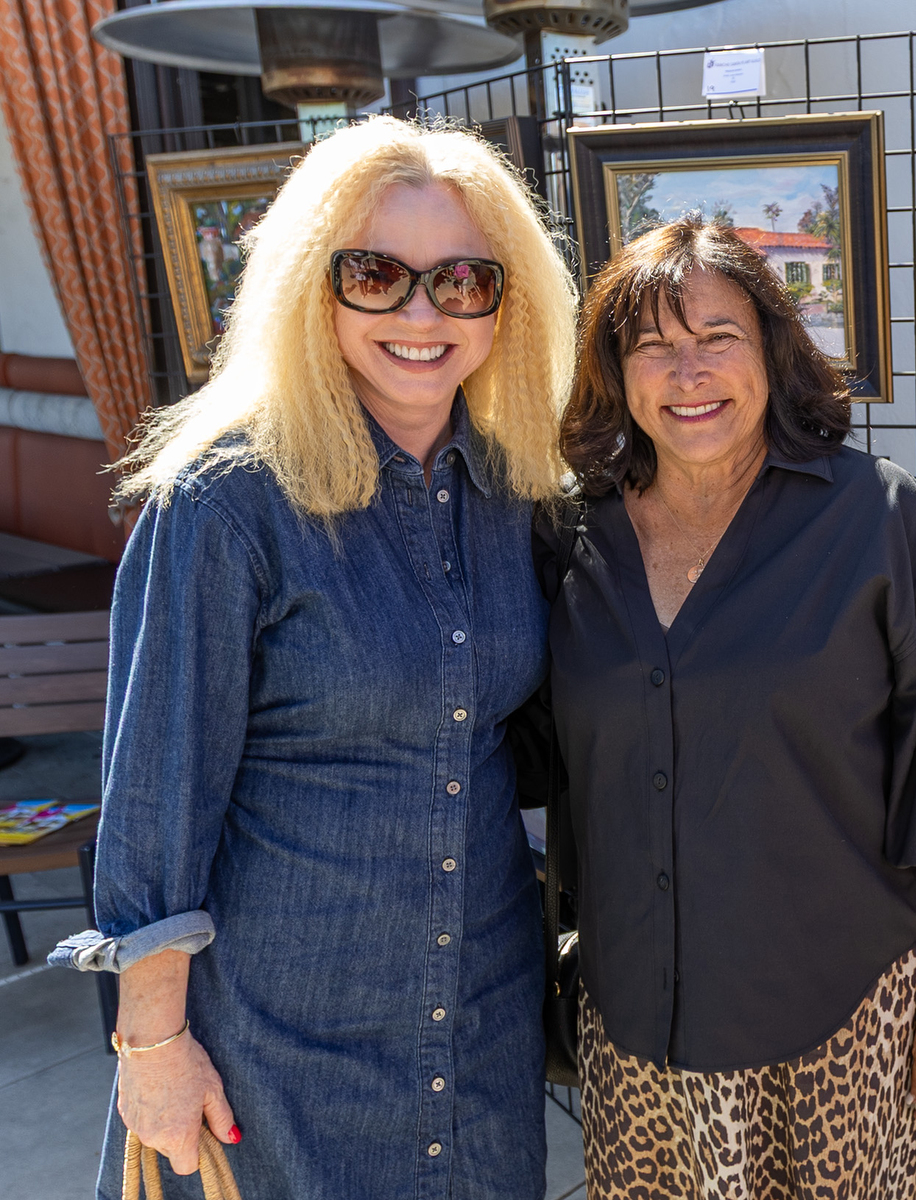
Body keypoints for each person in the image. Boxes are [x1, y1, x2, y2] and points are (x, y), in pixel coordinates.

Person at [52, 116, 577, 1199]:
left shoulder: (514, 488)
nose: (421, 314)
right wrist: (150, 1047)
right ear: (311, 287)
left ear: (505, 302)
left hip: (475, 1016)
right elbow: (155, 798)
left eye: (463, 282)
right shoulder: (225, 502)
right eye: (376, 275)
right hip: (277, 1038)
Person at [538, 216, 916, 1199]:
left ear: (772, 354)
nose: (686, 373)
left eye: (716, 339)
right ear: (615, 374)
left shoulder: (873, 518)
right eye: (651, 347)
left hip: (844, 1023)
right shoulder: (571, 538)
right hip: (641, 1034)